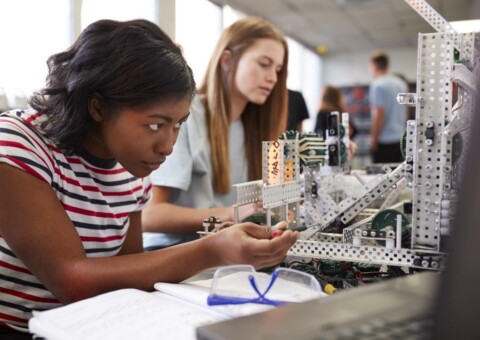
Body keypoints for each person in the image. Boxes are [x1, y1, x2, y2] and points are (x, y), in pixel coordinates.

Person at [0, 19, 298, 336]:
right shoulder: (18, 145)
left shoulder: (133, 165)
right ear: (98, 106)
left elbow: (129, 272)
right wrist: (212, 249)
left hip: (93, 324)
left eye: (178, 124)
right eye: (155, 125)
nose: (168, 146)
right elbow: (72, 280)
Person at [141, 17, 289, 250]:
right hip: (173, 256)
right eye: (263, 64)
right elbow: (148, 215)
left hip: (224, 255)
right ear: (227, 60)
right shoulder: (187, 117)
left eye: (278, 69)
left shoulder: (252, 129)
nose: (272, 77)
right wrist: (233, 214)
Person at [369, 51, 408, 163]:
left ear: (374, 65)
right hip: (400, 139)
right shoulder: (401, 83)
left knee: (382, 178)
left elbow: (379, 114)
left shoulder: (377, 85)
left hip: (384, 142)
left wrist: (374, 139)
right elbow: (406, 110)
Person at [314, 85, 358, 159]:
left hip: (327, 152)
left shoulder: (322, 113)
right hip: (343, 151)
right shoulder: (341, 112)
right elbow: (353, 130)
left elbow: (317, 133)